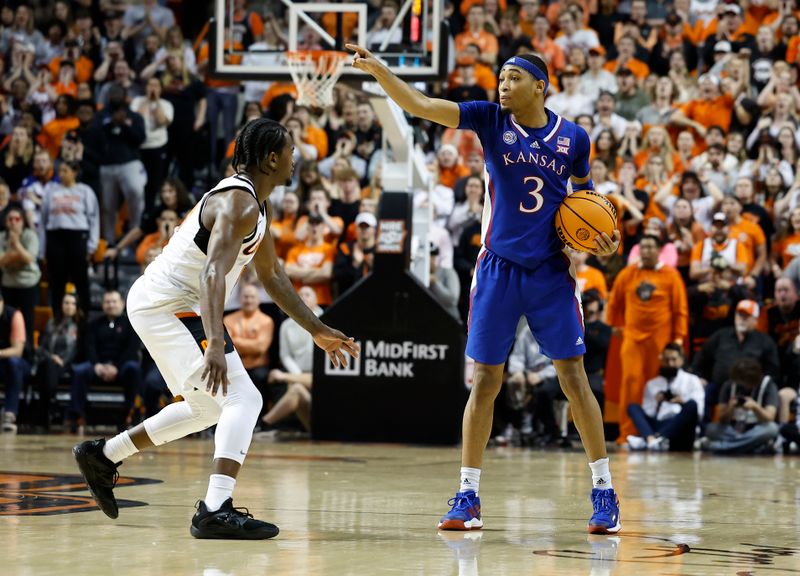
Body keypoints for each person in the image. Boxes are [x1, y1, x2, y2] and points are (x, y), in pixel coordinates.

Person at [349, 45, 622, 534]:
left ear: (540, 85)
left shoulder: (575, 138)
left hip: (550, 271)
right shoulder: (490, 119)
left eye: (514, 76)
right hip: (496, 269)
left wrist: (600, 237)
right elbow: (422, 105)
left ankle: (604, 489)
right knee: (485, 381)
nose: (503, 83)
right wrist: (383, 73)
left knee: (573, 377)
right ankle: (468, 494)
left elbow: (585, 198)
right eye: (501, 75)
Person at [72, 118, 359, 539]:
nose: (296, 158)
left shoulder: (259, 204)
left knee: (207, 408)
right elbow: (211, 275)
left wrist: (316, 329)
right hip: (166, 304)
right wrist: (214, 344)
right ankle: (214, 508)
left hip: (172, 304)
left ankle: (103, 455)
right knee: (244, 398)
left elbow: (273, 276)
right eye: (291, 151)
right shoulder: (238, 204)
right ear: (271, 158)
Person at [607, 234, 688, 443]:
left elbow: (680, 309)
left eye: (651, 247)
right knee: (630, 382)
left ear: (659, 250)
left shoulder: (671, 275)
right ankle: (627, 433)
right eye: (643, 247)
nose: (646, 251)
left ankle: (651, 432)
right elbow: (613, 301)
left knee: (656, 386)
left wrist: (678, 338)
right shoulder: (628, 273)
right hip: (632, 338)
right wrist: (612, 325)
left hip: (659, 339)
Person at [69, 290, 142, 429]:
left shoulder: (131, 324)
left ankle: (129, 413)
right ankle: (76, 415)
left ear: (122, 304)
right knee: (80, 371)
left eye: (114, 301)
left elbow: (131, 350)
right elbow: (89, 348)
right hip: (98, 366)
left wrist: (116, 367)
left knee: (134, 368)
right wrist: (97, 365)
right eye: (107, 302)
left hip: (121, 367)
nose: (111, 305)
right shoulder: (94, 324)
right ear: (102, 305)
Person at [626, 343, 705, 452]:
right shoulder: (652, 384)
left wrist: (682, 402)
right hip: (659, 423)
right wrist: (657, 403)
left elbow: (700, 412)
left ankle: (652, 439)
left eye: (674, 359)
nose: (670, 364)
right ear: (662, 360)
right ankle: (651, 440)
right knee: (632, 407)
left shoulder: (693, 380)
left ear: (681, 360)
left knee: (692, 405)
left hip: (681, 427)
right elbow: (649, 413)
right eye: (666, 360)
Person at [704, 357, 780, 455]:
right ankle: (751, 447)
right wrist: (730, 408)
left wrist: (755, 407)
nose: (743, 385)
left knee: (772, 429)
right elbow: (722, 420)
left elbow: (770, 417)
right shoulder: (729, 385)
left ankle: (722, 447)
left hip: (756, 428)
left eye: (746, 381)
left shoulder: (768, 385)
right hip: (733, 429)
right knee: (710, 429)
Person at [0, 288, 29, 434]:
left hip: (19, 363)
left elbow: (17, 351)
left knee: (13, 363)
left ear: (2, 303)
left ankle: (9, 415)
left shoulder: (14, 315)